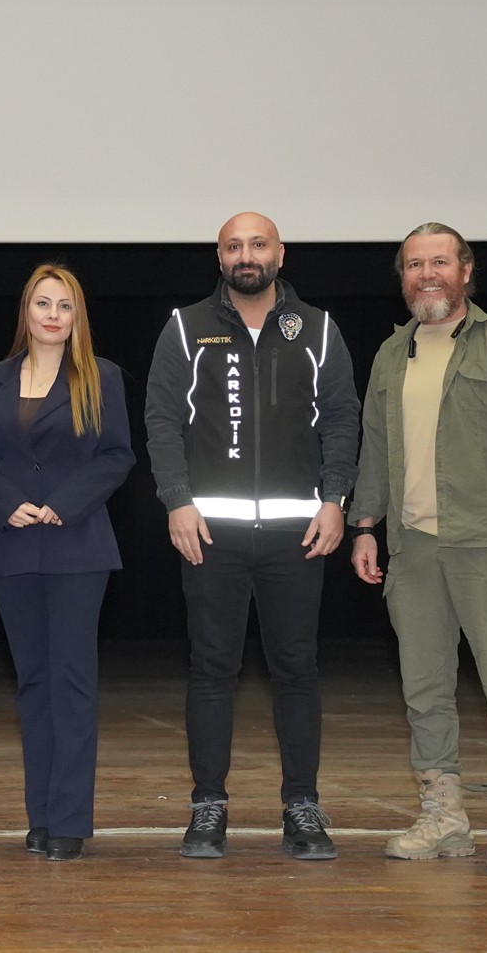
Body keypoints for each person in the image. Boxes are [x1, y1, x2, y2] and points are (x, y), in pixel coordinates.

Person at [143, 211, 360, 860]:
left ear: (279, 253)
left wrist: (335, 501)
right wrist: (178, 502)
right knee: (212, 668)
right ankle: (208, 805)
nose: (246, 255)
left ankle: (302, 807)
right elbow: (161, 419)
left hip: (299, 533)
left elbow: (342, 419)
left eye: (257, 244)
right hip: (211, 533)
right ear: (219, 257)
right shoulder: (186, 327)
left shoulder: (318, 328)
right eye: (234, 245)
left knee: (297, 669)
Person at [349, 222, 487, 875]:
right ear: (403, 278)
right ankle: (444, 817)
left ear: (465, 270)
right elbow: (376, 444)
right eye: (414, 265)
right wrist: (365, 524)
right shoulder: (392, 354)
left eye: (439, 261)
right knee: (424, 687)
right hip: (413, 549)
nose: (427, 274)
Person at [0, 264, 134, 863]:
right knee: (33, 683)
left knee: (73, 681)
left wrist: (65, 503)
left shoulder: (102, 377)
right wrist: (7, 503)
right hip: (11, 546)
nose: (53, 314)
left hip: (78, 545)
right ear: (27, 311)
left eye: (64, 305)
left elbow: (117, 455)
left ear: (76, 315)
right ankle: (40, 815)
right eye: (43, 303)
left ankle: (69, 820)